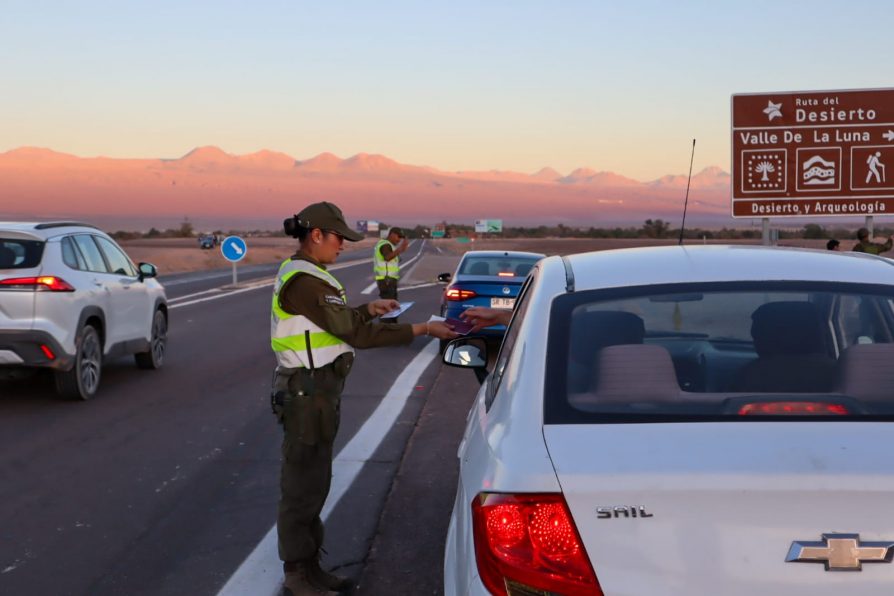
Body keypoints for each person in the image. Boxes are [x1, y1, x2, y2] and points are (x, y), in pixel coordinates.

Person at [271, 202, 456, 595]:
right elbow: (354, 336)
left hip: (318, 391)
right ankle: (297, 575)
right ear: (316, 235)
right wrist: (422, 327)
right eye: (338, 238)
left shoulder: (313, 275)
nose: (342, 246)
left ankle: (310, 566)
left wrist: (368, 308)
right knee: (302, 485)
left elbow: (339, 324)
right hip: (307, 392)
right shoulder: (305, 281)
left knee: (317, 481)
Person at [373, 227, 409, 303]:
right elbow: (387, 257)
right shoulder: (385, 244)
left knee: (391, 305)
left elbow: (395, 259)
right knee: (389, 305)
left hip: (389, 280)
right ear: (392, 234)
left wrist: (400, 251)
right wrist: (400, 249)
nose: (399, 240)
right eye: (398, 237)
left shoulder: (390, 245)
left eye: (401, 238)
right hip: (386, 280)